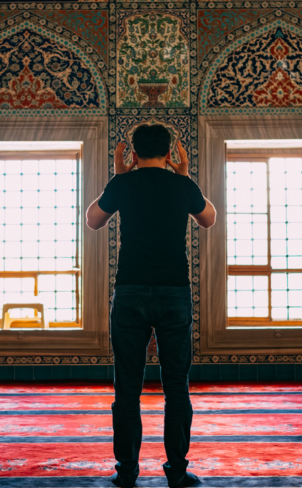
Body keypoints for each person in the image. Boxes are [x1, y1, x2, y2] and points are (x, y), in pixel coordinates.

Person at [86, 124, 216, 488]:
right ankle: (177, 471)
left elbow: (92, 221)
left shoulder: (123, 184)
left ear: (133, 153)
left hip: (130, 291)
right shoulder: (182, 185)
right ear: (170, 152)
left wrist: (118, 176)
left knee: (127, 387)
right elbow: (209, 218)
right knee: (177, 386)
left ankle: (127, 472)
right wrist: (185, 177)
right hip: (174, 291)